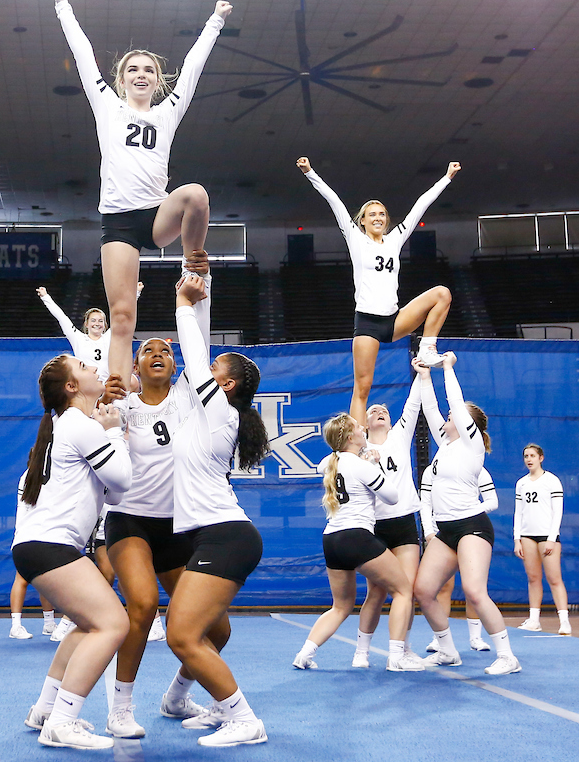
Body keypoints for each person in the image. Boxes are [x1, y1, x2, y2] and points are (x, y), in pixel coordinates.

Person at [53, 0, 228, 396]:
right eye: (133, 69)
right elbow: (82, 56)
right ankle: (115, 391)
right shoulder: (107, 106)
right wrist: (64, 8)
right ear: (121, 79)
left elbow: (193, 69)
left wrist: (215, 21)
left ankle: (192, 262)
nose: (141, 75)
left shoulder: (169, 111)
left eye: (148, 69)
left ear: (157, 79)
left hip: (156, 216)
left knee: (197, 195)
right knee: (122, 315)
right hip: (118, 223)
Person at [102, 267, 218, 739]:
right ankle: (120, 708)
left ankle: (176, 696)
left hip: (178, 526)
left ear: (175, 367)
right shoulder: (122, 407)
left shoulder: (190, 400)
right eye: (146, 350)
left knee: (217, 629)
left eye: (165, 350)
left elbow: (201, 340)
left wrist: (199, 289)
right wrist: (103, 406)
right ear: (133, 367)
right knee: (144, 604)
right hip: (130, 521)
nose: (156, 353)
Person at [163, 273, 270, 748]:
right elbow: (198, 348)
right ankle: (180, 698)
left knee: (181, 635)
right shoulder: (200, 412)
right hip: (209, 536)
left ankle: (245, 719)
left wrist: (183, 303)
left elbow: (190, 346)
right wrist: (200, 282)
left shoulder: (221, 412)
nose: (201, 368)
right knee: (215, 631)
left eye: (213, 367)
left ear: (223, 383)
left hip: (226, 536)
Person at [15, 355, 132, 750]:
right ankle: (63, 722)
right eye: (83, 366)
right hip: (51, 546)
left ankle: (44, 709)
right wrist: (114, 432)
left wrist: (108, 438)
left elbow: (113, 491)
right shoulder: (83, 425)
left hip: (37, 546)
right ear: (71, 387)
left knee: (87, 626)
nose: (94, 368)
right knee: (114, 624)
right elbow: (122, 480)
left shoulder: (67, 426)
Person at [295, 157, 460, 427]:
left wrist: (447, 178)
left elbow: (421, 205)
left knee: (442, 293)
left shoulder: (395, 238)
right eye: (372, 214)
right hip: (368, 324)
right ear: (362, 221)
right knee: (362, 388)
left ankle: (427, 348)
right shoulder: (355, 239)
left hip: (394, 319)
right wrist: (310, 172)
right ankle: (356, 443)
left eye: (382, 214)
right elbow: (333, 200)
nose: (378, 218)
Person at [412, 353, 521, 675]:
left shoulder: (471, 447)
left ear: (466, 424)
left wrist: (446, 369)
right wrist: (423, 376)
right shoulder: (445, 445)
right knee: (423, 590)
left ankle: (506, 656)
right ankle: (446, 649)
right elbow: (430, 409)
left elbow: (455, 405)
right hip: (446, 531)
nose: (445, 420)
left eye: (451, 418)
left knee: (474, 590)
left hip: (473, 526)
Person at [291, 414, 424, 673]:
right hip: (357, 537)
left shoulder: (330, 462)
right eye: (358, 428)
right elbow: (393, 497)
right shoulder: (362, 466)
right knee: (403, 591)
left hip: (332, 539)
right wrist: (374, 466)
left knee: (340, 606)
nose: (363, 429)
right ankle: (396, 656)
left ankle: (304, 653)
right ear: (351, 438)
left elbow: (324, 464)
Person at [347, 359, 433, 667]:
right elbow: (355, 407)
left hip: (404, 525)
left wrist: (421, 373)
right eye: (373, 412)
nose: (379, 412)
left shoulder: (400, 436)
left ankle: (403, 649)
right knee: (376, 593)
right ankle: (361, 652)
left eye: (384, 410)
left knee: (405, 590)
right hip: (374, 526)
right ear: (364, 425)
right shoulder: (358, 447)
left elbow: (413, 404)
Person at [420, 458, 499, 653]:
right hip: (442, 531)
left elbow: (492, 501)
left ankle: (476, 637)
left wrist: (467, 514)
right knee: (435, 588)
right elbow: (425, 503)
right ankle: (440, 640)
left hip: (469, 528)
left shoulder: (475, 467)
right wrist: (429, 531)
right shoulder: (432, 470)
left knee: (473, 587)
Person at [514, 444, 571, 635]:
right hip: (527, 535)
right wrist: (517, 539)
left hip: (547, 535)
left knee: (554, 578)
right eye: (526, 456)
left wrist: (552, 538)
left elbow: (558, 511)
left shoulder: (552, 481)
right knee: (533, 578)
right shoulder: (521, 483)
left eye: (532, 455)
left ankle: (564, 621)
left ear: (541, 458)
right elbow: (518, 512)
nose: (529, 459)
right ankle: (534, 619)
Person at [36, 283, 142, 372]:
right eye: (93, 320)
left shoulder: (109, 337)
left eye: (101, 321)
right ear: (86, 324)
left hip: (107, 387)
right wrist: (45, 297)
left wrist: (136, 293)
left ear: (105, 325)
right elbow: (62, 317)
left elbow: (124, 316)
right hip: (85, 386)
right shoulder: (78, 338)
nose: (97, 323)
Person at [10, 471, 58, 640]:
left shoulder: (41, 475)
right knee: (22, 579)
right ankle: (15, 626)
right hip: (28, 534)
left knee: (45, 579)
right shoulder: (32, 477)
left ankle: (49, 623)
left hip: (42, 534)